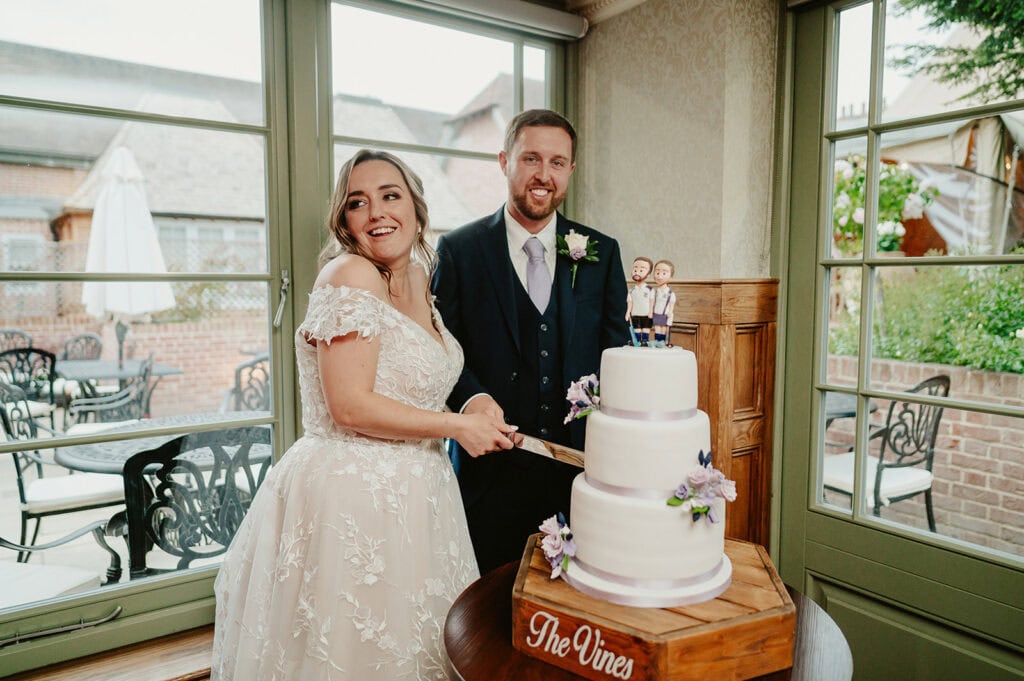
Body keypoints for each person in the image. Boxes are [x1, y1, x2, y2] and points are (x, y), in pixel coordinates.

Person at [211, 149, 517, 680]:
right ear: (345, 221)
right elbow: (349, 406)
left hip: (420, 497)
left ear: (417, 211)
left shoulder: (420, 278)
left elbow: (416, 381)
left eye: (390, 196)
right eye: (359, 202)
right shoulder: (349, 274)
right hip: (351, 500)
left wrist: (472, 404)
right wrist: (455, 427)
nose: (377, 212)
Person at [431, 109, 630, 574]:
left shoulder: (601, 251)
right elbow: (441, 350)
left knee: (573, 605)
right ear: (505, 161)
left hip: (578, 474)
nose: (544, 175)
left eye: (558, 163)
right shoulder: (459, 251)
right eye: (531, 159)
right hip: (488, 474)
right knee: (488, 609)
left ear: (571, 171)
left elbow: (615, 355)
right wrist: (473, 398)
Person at [626, 256, 654, 345]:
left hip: (646, 314)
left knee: (645, 328)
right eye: (635, 269)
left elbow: (652, 302)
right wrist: (627, 312)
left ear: (648, 274)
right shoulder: (631, 290)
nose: (637, 272)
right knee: (636, 329)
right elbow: (630, 302)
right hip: (635, 314)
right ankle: (637, 341)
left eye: (641, 270)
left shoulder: (650, 289)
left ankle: (645, 341)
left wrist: (651, 312)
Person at [651, 259, 676, 347]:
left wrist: (670, 312)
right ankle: (657, 341)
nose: (660, 276)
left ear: (670, 277)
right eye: (657, 273)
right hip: (656, 313)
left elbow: (671, 303)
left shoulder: (670, 293)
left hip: (665, 314)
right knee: (657, 328)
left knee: (664, 328)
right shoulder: (655, 292)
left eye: (664, 273)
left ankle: (663, 342)